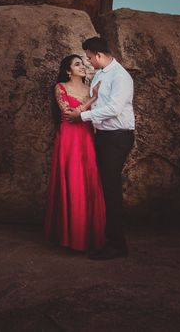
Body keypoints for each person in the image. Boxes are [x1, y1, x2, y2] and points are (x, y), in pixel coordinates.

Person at [62, 36, 135, 260]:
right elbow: (95, 100)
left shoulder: (121, 76)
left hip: (118, 137)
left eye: (89, 57)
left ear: (99, 55)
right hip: (102, 136)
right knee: (102, 187)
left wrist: (82, 116)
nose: (88, 62)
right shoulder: (100, 75)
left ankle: (117, 245)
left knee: (111, 189)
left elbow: (114, 108)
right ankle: (104, 238)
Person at [44, 54, 107, 253]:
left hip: (87, 138)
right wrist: (93, 99)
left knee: (88, 182)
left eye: (84, 63)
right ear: (68, 70)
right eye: (77, 64)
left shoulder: (90, 88)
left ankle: (87, 235)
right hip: (69, 139)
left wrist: (94, 96)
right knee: (72, 180)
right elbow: (69, 114)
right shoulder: (60, 87)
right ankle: (69, 236)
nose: (83, 66)